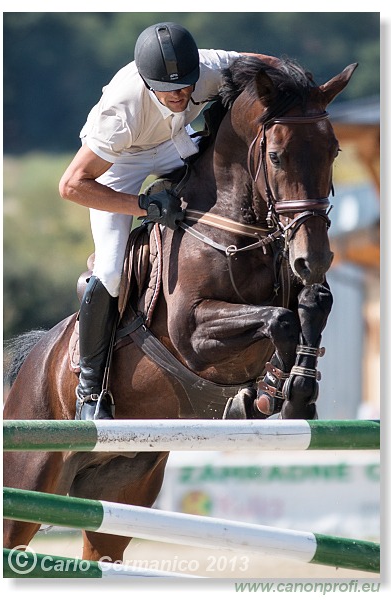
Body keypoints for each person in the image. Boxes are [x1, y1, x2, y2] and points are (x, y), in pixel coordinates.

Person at [59, 21, 255, 420]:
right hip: (118, 165)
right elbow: (72, 185)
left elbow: (263, 66)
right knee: (112, 271)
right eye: (170, 90)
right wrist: (144, 207)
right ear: (148, 85)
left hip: (174, 145)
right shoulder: (121, 109)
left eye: (187, 85)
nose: (183, 95)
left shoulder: (212, 66)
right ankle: (90, 388)